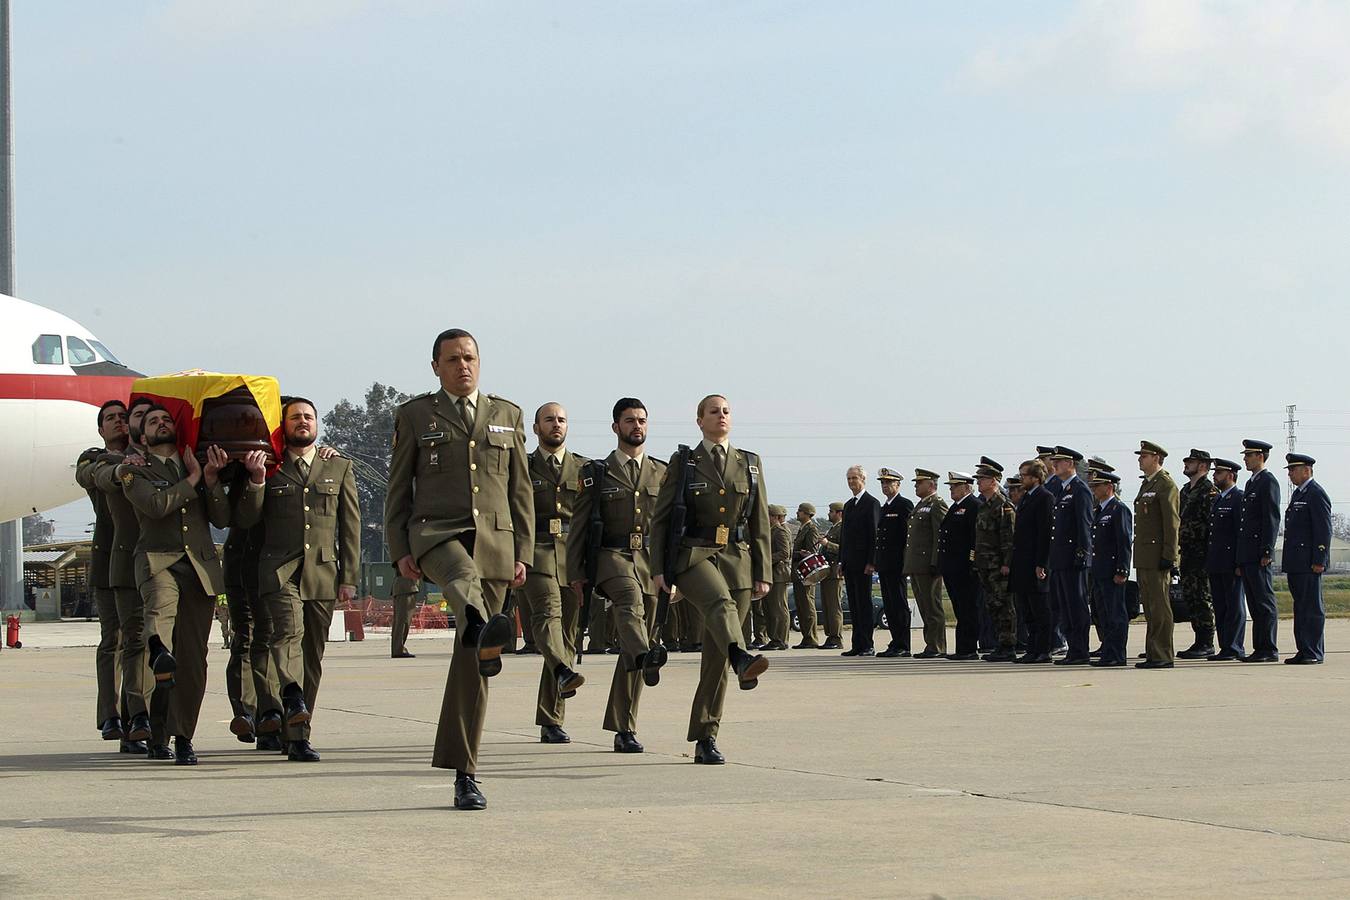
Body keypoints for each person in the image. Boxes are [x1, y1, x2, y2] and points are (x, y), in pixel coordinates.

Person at [384, 328, 532, 810]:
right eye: (453, 359)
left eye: (470, 358)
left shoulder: (508, 415)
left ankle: (465, 770)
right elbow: (397, 487)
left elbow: (520, 490)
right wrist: (398, 548)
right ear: (435, 367)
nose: (463, 366)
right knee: (463, 585)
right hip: (436, 535)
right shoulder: (414, 414)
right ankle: (480, 623)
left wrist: (523, 553)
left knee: (471, 664)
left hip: (495, 543)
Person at [236, 397, 361, 761]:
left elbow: (349, 527)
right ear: (284, 425)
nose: (303, 422)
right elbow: (246, 518)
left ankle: (298, 735)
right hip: (278, 570)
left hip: (322, 571)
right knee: (288, 633)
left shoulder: (337, 466)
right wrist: (257, 481)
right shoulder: (269, 465)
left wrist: (348, 577)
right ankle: (290, 694)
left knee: (313, 656)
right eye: (295, 417)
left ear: (317, 425)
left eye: (308, 417)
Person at [651, 394, 771, 765]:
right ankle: (742, 655)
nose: (721, 416)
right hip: (693, 557)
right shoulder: (685, 461)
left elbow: (760, 521)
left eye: (726, 411)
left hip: (737, 560)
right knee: (719, 604)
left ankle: (706, 736)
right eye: (713, 412)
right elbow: (662, 518)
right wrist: (659, 570)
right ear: (699, 420)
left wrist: (763, 572)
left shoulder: (749, 463)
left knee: (716, 657)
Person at [119, 406, 231, 765]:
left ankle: (181, 736)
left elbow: (223, 518)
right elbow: (156, 505)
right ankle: (156, 647)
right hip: (158, 562)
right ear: (142, 437)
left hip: (199, 568)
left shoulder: (194, 464)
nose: (161, 424)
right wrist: (193, 480)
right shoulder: (134, 471)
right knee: (160, 621)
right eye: (153, 421)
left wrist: (211, 479)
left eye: (166, 420)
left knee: (193, 662)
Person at [567, 397, 667, 752]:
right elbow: (579, 525)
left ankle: (624, 728)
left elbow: (671, 527)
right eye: (629, 421)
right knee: (629, 600)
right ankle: (645, 655)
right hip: (610, 555)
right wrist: (576, 574)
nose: (636, 426)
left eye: (641, 420)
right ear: (615, 427)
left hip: (650, 560)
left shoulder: (662, 472)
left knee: (636, 632)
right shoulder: (596, 472)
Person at [520, 402, 587, 744]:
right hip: (535, 553)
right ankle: (562, 671)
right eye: (549, 420)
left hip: (573, 557)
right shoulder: (522, 466)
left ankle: (551, 719)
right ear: (536, 428)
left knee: (568, 639)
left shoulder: (586, 468)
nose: (556, 425)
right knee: (548, 615)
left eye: (561, 419)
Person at [75, 400, 131, 747]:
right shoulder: (93, 458)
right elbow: (87, 474)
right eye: (110, 418)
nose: (117, 422)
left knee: (144, 644)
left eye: (123, 417)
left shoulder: (150, 456)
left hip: (147, 559)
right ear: (100, 430)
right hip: (110, 562)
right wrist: (124, 463)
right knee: (115, 640)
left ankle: (138, 716)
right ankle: (111, 715)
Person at [1133, 441, 1180, 669]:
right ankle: (1153, 652)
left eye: (1144, 455)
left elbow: (1172, 524)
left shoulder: (1165, 485)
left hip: (1157, 556)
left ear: (1156, 458)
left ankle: (1162, 654)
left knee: (1160, 607)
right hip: (1144, 555)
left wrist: (1170, 556)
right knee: (1150, 607)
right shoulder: (1147, 485)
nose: (1140, 459)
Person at [1282, 453, 1331, 664]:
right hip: (1296, 561)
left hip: (1309, 562)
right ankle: (1304, 648)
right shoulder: (1299, 494)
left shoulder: (1315, 493)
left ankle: (1313, 651)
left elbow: (1323, 530)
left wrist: (1320, 558)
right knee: (1300, 607)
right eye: (1290, 470)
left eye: (1294, 469)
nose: (1291, 474)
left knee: (1311, 608)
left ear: (1307, 470)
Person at [1047, 447, 1093, 666]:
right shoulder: (1060, 489)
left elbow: (1084, 525)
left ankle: (1080, 649)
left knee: (1076, 606)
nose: (1054, 465)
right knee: (1064, 606)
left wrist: (1082, 555)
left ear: (1071, 463)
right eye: (1053, 461)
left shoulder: (1079, 489)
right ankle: (1072, 650)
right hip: (1059, 558)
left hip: (1073, 559)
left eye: (1059, 461)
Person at [1237, 439, 1281, 663]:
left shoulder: (1268, 481)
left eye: (1249, 454)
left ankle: (1269, 648)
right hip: (1247, 553)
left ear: (1261, 456)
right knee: (1254, 602)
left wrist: (1267, 550)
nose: (1245, 458)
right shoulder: (1251, 483)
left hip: (1258, 552)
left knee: (1264, 602)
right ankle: (1259, 648)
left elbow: (1271, 518)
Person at [1177, 449, 1219, 659]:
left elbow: (1212, 525)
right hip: (1186, 553)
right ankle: (1198, 640)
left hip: (1202, 553)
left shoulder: (1209, 491)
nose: (1186, 464)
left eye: (1190, 461)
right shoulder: (1185, 491)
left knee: (1202, 597)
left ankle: (1206, 641)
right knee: (1191, 597)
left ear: (1202, 465)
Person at [1088, 471, 1133, 667]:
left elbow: (1124, 542)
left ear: (1109, 486)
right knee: (1104, 614)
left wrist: (1122, 569)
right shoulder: (1099, 510)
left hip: (1112, 571)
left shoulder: (1118, 509)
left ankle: (1117, 654)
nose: (1094, 490)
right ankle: (1108, 651)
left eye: (1098, 486)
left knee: (1116, 615)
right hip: (1099, 570)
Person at [1011, 460, 1054, 664]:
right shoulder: (1027, 498)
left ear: (1036, 477)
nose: (1021, 479)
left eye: (1024, 475)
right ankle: (1032, 648)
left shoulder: (1045, 498)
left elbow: (1044, 533)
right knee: (1027, 609)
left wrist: (1042, 563)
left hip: (1035, 563)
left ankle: (1043, 649)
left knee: (1040, 608)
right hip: (1022, 562)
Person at [973, 462, 1016, 661]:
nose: (978, 482)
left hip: (999, 565)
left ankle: (1008, 645)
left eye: (982, 479)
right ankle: (1000, 643)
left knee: (1004, 605)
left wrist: (1007, 563)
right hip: (985, 565)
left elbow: (1009, 538)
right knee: (992, 605)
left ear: (993, 481)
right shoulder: (984, 505)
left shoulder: (1003, 505)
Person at [1204, 458, 1246, 661]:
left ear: (1230, 475)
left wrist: (1239, 562)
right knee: (1220, 606)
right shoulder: (1219, 499)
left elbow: (1240, 533)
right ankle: (1225, 646)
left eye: (1218, 473)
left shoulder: (1238, 498)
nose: (1214, 476)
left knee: (1234, 606)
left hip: (1231, 562)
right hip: (1216, 561)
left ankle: (1235, 646)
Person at [904, 469, 948, 658]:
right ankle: (930, 644)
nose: (915, 485)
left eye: (919, 482)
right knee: (923, 606)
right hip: (916, 564)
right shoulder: (920, 506)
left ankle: (937, 645)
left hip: (928, 565)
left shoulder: (936, 505)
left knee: (932, 606)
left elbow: (940, 536)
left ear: (931, 485)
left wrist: (936, 562)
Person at [839, 465, 880, 657]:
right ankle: (857, 643)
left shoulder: (871, 503)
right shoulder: (848, 505)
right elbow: (845, 537)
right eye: (848, 479)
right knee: (854, 604)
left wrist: (871, 561)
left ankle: (867, 644)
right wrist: (841, 561)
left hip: (864, 563)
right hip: (850, 563)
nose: (851, 482)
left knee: (864, 604)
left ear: (863, 479)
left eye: (854, 478)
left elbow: (873, 534)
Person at [938, 472, 979, 660]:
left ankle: (969, 647)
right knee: (959, 609)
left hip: (964, 567)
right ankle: (963, 647)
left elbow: (974, 539)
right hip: (952, 567)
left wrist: (971, 562)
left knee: (968, 608)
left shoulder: (973, 506)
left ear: (967, 487)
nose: (951, 489)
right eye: (951, 486)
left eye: (955, 486)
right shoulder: (955, 508)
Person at [874, 468, 914, 658]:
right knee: (889, 604)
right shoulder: (884, 508)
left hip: (897, 563)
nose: (885, 486)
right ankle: (895, 641)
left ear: (898, 484)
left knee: (899, 604)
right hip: (884, 564)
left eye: (889, 483)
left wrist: (906, 562)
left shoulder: (903, 505)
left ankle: (903, 644)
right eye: (882, 483)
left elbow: (907, 537)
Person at [790, 503, 823, 649]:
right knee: (801, 606)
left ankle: (811, 638)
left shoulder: (811, 529)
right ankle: (806, 637)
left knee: (807, 605)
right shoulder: (803, 528)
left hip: (806, 572)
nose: (797, 513)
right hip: (799, 573)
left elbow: (812, 552)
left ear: (807, 513)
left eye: (800, 511)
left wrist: (796, 554)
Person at [761, 505, 792, 651]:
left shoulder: (780, 531)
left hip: (779, 574)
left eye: (768, 515)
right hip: (771, 573)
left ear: (774, 517)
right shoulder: (770, 531)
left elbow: (784, 553)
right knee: (769, 608)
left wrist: (765, 558)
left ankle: (780, 639)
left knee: (779, 607)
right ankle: (774, 638)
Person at [818, 502, 846, 650]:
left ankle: (836, 637)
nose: (829, 514)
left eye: (831, 511)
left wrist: (827, 543)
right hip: (827, 572)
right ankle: (830, 636)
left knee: (834, 606)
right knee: (827, 606)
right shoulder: (833, 528)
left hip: (835, 572)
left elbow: (844, 549)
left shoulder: (842, 528)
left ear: (839, 513)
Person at [390, 575, 421, 658]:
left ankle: (398, 649)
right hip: (406, 587)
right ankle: (398, 650)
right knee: (403, 620)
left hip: (404, 587)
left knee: (401, 620)